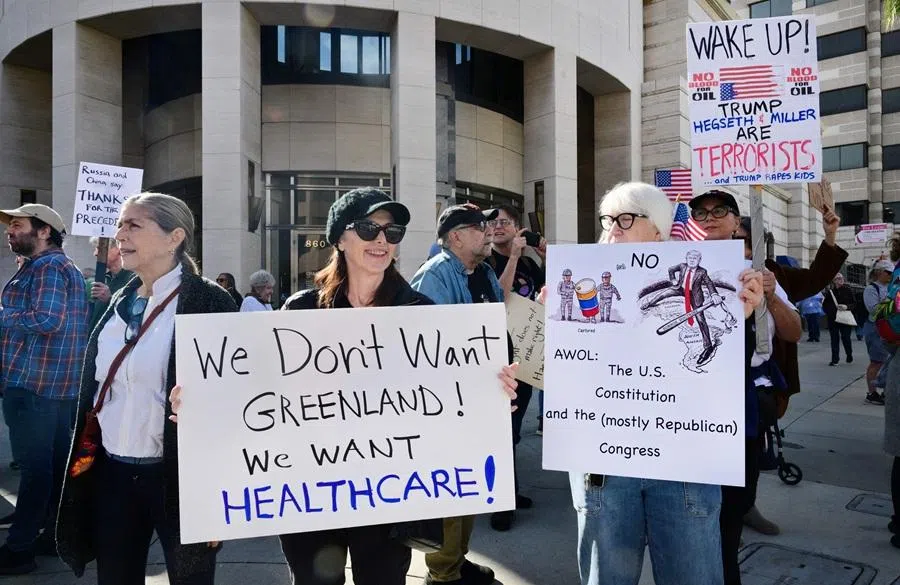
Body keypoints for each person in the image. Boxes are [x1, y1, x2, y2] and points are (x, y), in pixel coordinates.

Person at [214, 188, 517, 585]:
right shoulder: (301, 311)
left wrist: (491, 393)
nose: (381, 240)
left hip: (388, 493)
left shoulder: (419, 312)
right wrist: (208, 400)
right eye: (367, 228)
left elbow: (448, 396)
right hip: (312, 490)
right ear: (339, 237)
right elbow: (257, 392)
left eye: (392, 233)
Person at [549, 182, 765, 585]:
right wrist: (547, 332)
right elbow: (555, 373)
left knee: (693, 574)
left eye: (626, 219)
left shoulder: (711, 277)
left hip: (684, 464)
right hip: (605, 464)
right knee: (606, 576)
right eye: (608, 220)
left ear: (659, 231)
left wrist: (746, 312)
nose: (613, 229)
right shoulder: (584, 282)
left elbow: (726, 367)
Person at [56, 193, 237, 585]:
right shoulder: (119, 301)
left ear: (174, 237)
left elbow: (237, 400)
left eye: (133, 225)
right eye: (120, 224)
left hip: (179, 479)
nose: (119, 233)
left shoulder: (209, 300)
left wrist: (217, 499)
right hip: (112, 473)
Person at [689, 192, 802, 585]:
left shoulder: (757, 271)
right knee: (695, 505)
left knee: (732, 504)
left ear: (737, 222)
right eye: (700, 212)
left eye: (720, 211)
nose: (709, 217)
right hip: (690, 403)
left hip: (742, 401)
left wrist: (770, 296)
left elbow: (794, 332)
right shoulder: (679, 266)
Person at [410, 203, 506, 585]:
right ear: (455, 237)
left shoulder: (482, 272)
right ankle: (442, 573)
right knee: (448, 490)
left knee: (472, 487)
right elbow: (426, 348)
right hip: (446, 406)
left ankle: (457, 560)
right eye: (479, 226)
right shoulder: (434, 276)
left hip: (481, 400)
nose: (488, 230)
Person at [0, 204, 88, 574]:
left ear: (43, 232)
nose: (9, 231)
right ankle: (51, 536)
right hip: (51, 387)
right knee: (50, 468)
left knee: (36, 472)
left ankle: (19, 550)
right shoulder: (48, 267)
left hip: (36, 386)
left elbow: (47, 319)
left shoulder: (50, 267)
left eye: (17, 226)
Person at [484, 204, 546, 531]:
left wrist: (546, 255)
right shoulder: (485, 262)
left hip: (527, 354)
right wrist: (511, 258)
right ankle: (501, 501)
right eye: (492, 223)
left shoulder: (529, 264)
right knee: (500, 431)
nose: (497, 227)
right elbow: (499, 296)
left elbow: (552, 291)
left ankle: (511, 489)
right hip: (497, 358)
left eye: (504, 222)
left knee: (514, 431)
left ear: (517, 227)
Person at [88, 236, 134, 331]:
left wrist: (110, 299)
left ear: (117, 248)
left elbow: (135, 315)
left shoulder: (134, 279)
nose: (95, 253)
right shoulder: (105, 278)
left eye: (100, 248)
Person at [823, 273, 856, 366]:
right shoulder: (830, 292)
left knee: (846, 338)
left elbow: (854, 304)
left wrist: (846, 306)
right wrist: (831, 312)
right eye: (838, 278)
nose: (840, 280)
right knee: (834, 339)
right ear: (834, 281)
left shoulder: (848, 290)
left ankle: (849, 354)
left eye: (841, 278)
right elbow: (825, 305)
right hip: (833, 319)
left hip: (845, 319)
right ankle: (835, 360)